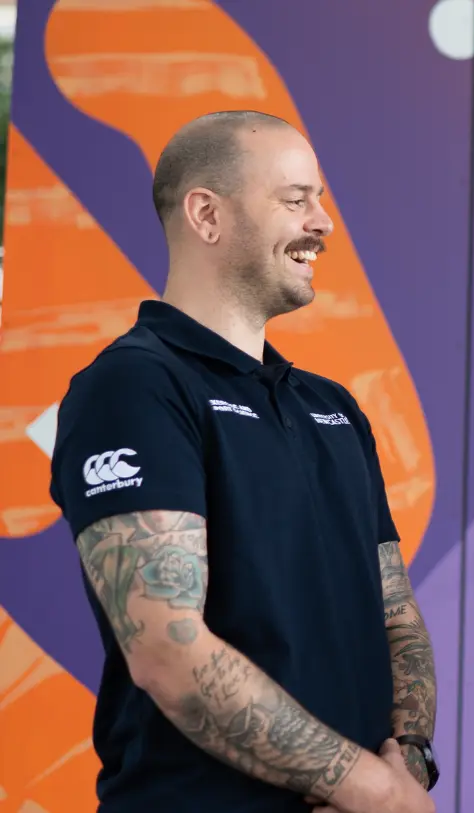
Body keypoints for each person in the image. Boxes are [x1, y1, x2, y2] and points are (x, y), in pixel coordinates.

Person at [47, 110, 438, 813]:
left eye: (319, 199)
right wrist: (363, 785)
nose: (323, 222)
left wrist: (406, 765)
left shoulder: (334, 407)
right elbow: (166, 647)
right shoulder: (134, 386)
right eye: (296, 199)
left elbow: (396, 615)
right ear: (206, 214)